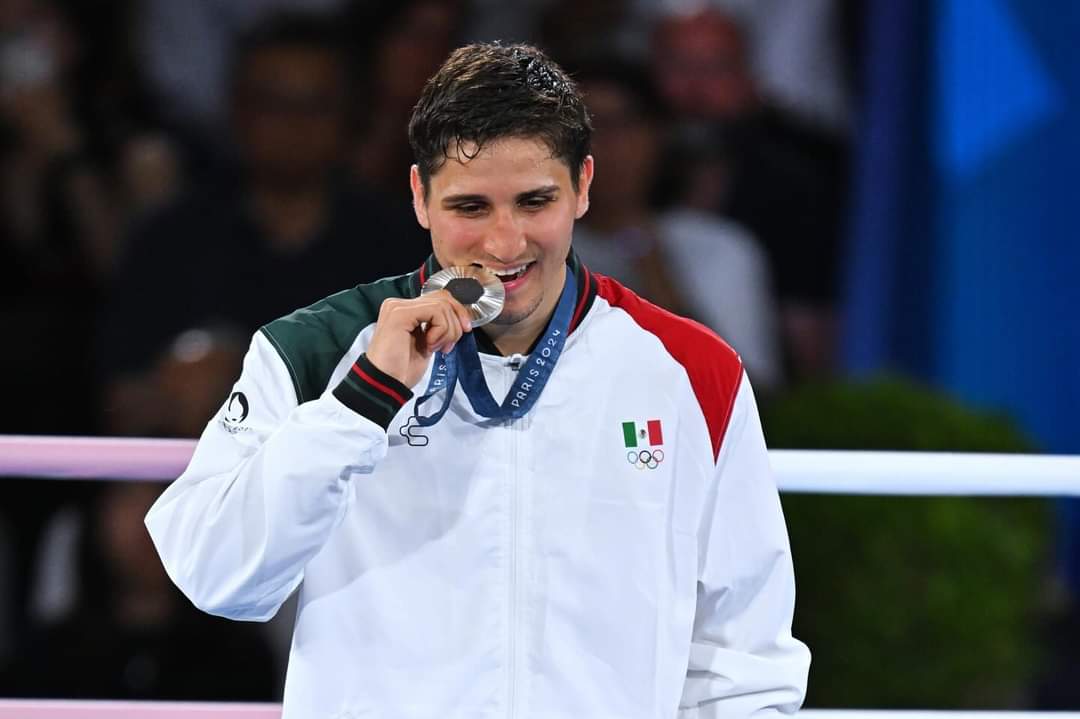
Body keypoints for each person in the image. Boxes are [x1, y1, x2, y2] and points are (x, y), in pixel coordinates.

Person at [146, 43, 809, 717]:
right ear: (419, 196)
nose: (504, 242)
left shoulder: (693, 371)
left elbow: (743, 655)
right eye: (470, 206)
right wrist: (360, 402)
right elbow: (216, 576)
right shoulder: (311, 352)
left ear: (582, 185)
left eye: (534, 201)